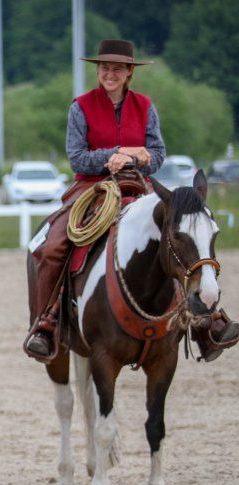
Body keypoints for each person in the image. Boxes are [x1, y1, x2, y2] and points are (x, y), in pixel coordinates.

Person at [24, 39, 239, 362]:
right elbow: (77, 158)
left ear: (129, 73)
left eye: (117, 69)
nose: (109, 74)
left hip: (139, 187)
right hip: (92, 188)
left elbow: (158, 154)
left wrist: (136, 159)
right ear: (98, 70)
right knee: (53, 244)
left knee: (182, 237)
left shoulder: (145, 106)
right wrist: (117, 154)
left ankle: (205, 323)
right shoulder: (80, 107)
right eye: (104, 68)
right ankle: (47, 322)